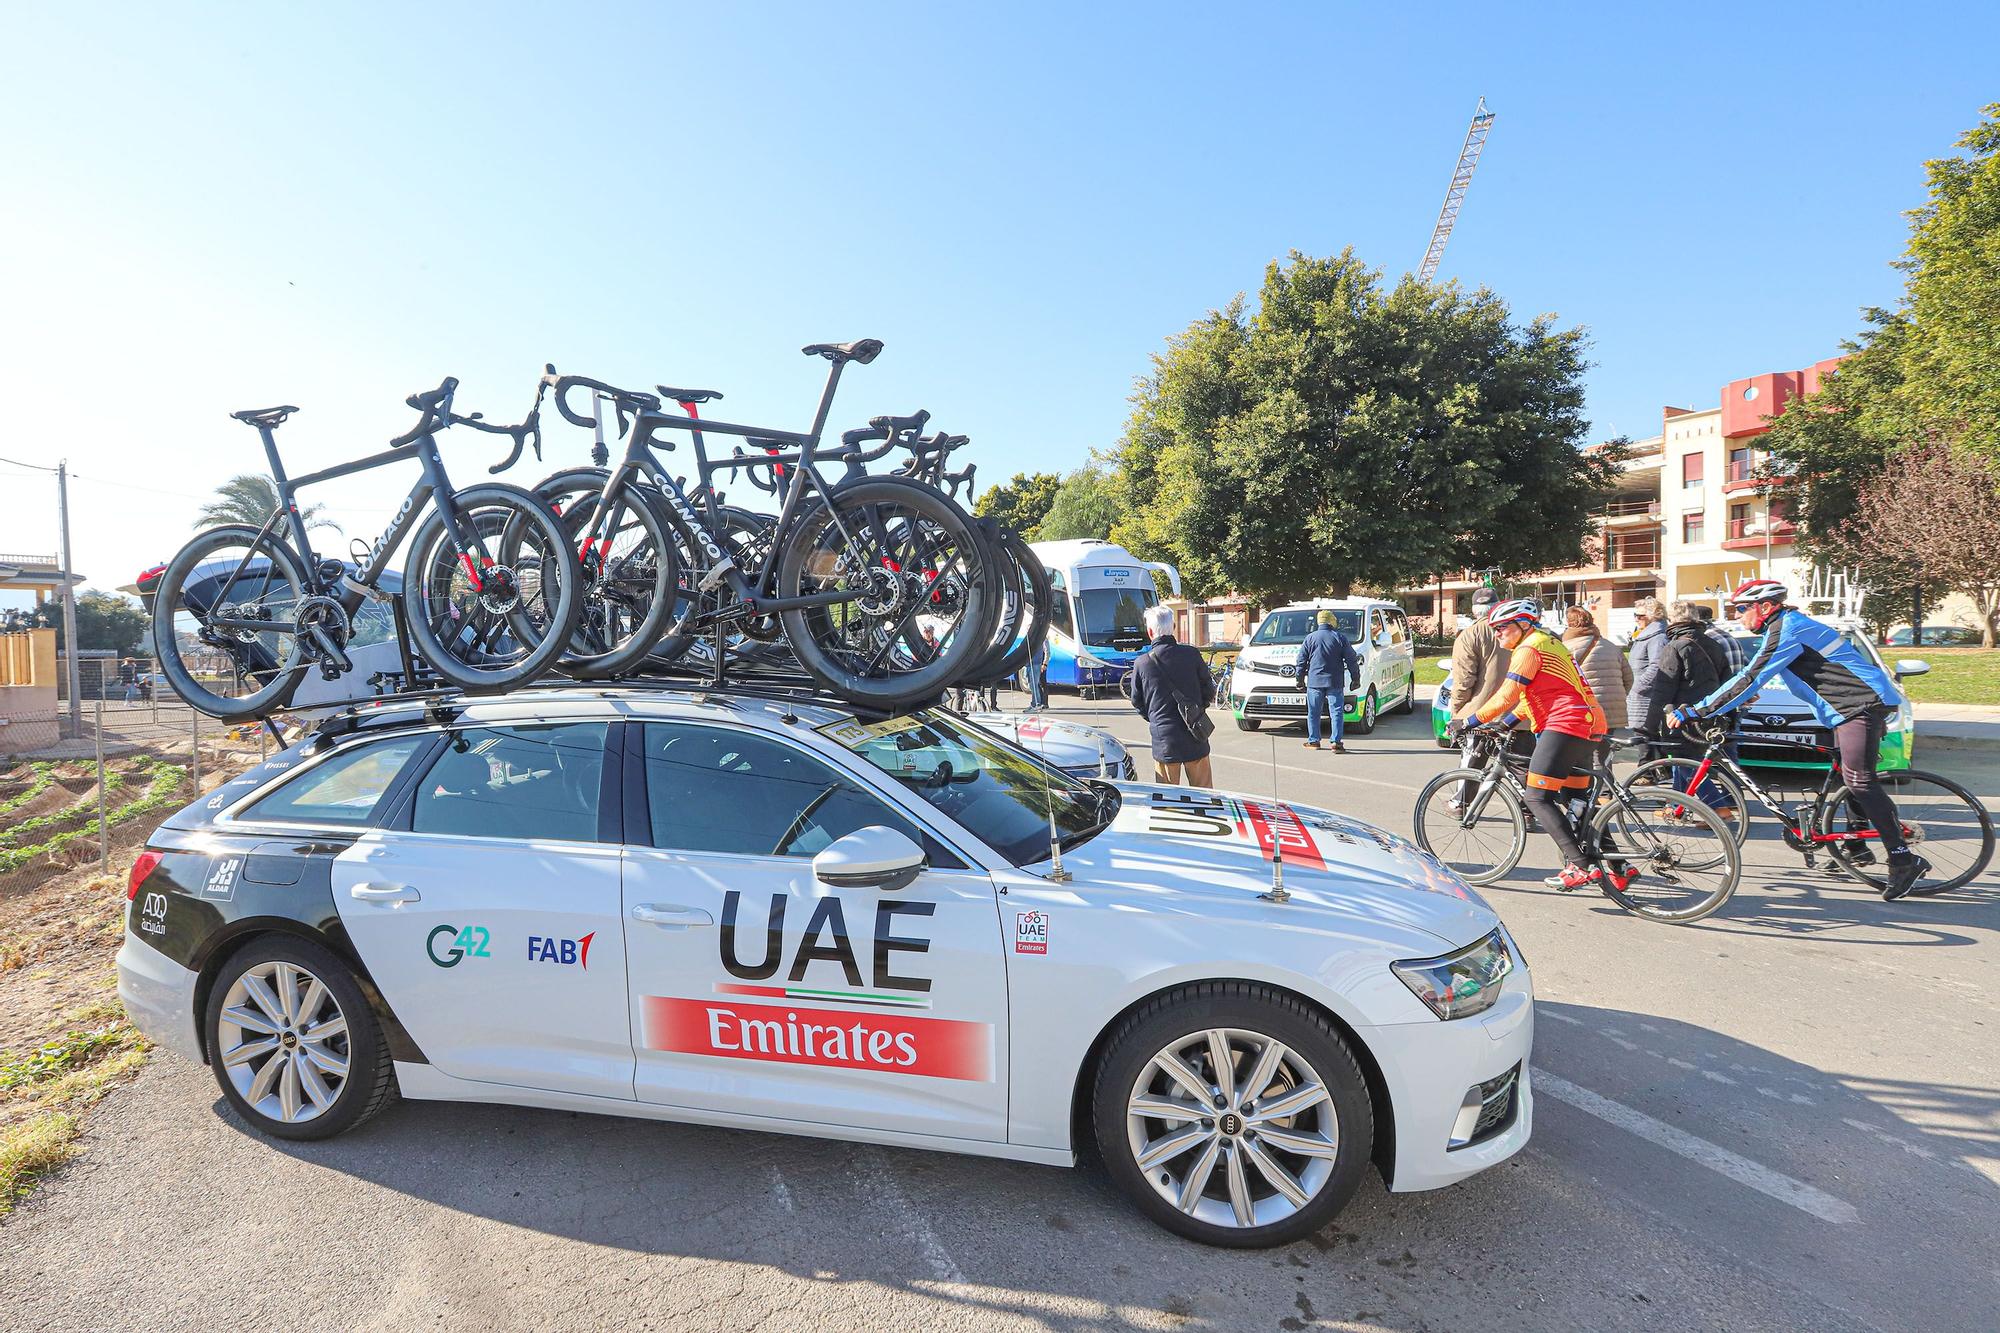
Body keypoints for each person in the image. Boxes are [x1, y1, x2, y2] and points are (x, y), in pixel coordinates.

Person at [1669, 578, 1932, 898]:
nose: (1738, 616)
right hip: (1846, 708)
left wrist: (1698, 710)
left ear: (1765, 607)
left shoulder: (1788, 628)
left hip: (1859, 705)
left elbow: (1751, 676)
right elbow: (1770, 675)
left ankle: (1903, 859)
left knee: (1860, 779)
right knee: (1846, 775)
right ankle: (1856, 847)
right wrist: (1742, 699)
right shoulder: (1785, 627)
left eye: (1741, 609)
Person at [1460, 599, 1617, 892]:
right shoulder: (1550, 644)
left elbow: (1507, 694)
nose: (1497, 634)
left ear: (1522, 625)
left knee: (1536, 797)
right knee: (1576, 799)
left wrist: (1469, 721)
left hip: (1565, 724)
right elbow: (1531, 697)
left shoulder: (1529, 649)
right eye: (1494, 629)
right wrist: (1504, 723)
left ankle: (1580, 866)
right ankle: (1621, 867)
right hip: (1587, 722)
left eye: (1502, 627)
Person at [1633, 601, 1732, 817]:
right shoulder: (1712, 643)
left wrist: (1648, 726)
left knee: (1685, 762)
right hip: (1707, 713)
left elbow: (1663, 688)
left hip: (1681, 715)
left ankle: (1718, 807)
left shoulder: (1675, 646)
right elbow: (1726, 680)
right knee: (1683, 760)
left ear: (1673, 620)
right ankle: (1675, 806)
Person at [1129, 604, 1215, 787]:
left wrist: (1155, 717)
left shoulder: (1142, 663)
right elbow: (1209, 689)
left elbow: (1137, 701)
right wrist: (1196, 709)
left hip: (1164, 739)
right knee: (1205, 796)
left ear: (1150, 631)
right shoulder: (1191, 654)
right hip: (1195, 731)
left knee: (1168, 800)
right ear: (1173, 627)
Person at [1451, 588, 1532, 769]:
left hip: (1480, 716)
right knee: (1522, 773)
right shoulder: (1518, 633)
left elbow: (1463, 681)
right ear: (1498, 606)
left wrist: (1457, 713)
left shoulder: (1469, 635)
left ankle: (1463, 799)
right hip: (1519, 716)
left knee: (1469, 774)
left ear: (1473, 610)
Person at [1562, 606, 1632, 767]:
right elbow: (1629, 678)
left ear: (1569, 624)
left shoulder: (1566, 648)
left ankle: (1589, 790)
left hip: (1585, 708)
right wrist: (1617, 697)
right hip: (1613, 708)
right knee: (1603, 754)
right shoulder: (1611, 646)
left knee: (1582, 755)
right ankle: (1606, 789)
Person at [1294, 609, 1361, 753]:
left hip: (1315, 682)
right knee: (1336, 712)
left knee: (1313, 712)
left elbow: (1301, 661)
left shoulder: (1310, 638)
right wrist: (1356, 678)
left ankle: (1314, 741)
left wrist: (1299, 680)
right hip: (1334, 681)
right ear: (1332, 621)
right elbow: (1351, 659)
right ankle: (1336, 742)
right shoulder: (1340, 638)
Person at [1624, 596, 1667, 726]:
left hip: (1646, 698)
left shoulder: (1658, 638)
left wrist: (1637, 687)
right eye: (1635, 615)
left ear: (1653, 616)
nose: (1636, 619)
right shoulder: (1644, 635)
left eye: (1640, 616)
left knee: (1644, 738)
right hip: (1638, 697)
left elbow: (1657, 667)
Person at [1693, 603, 1747, 675]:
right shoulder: (1729, 637)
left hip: (1722, 684)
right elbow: (1745, 663)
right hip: (1739, 683)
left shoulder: (1706, 638)